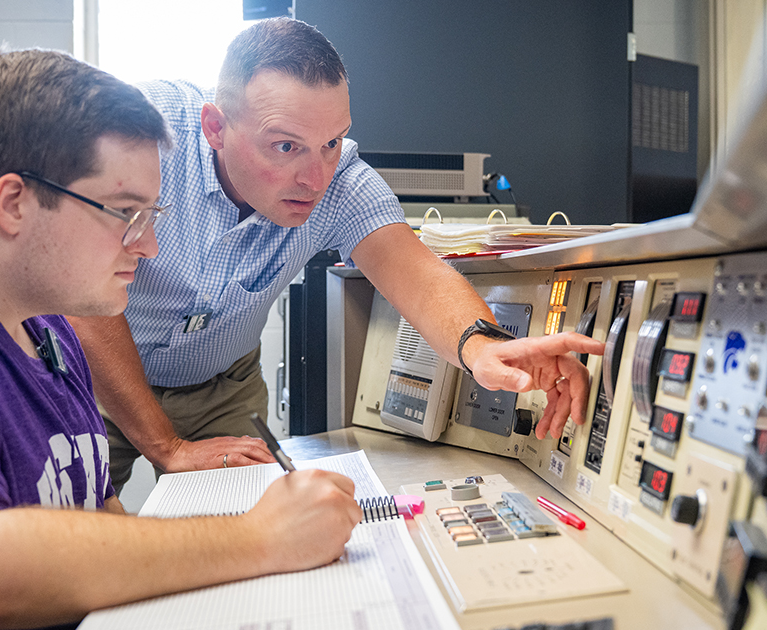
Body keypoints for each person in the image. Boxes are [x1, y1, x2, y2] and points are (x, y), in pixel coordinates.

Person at [0, 48, 361, 629]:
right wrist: (257, 538)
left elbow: (98, 518)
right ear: (14, 202)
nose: (148, 246)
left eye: (151, 216)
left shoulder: (48, 328)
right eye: (125, 213)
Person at [69, 17, 607, 492]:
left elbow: (415, 271)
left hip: (221, 385)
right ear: (215, 127)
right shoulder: (144, 134)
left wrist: (482, 348)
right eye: (285, 147)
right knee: (74, 546)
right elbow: (81, 297)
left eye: (332, 142)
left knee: (246, 536)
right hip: (94, 372)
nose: (315, 178)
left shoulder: (341, 182)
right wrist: (167, 447)